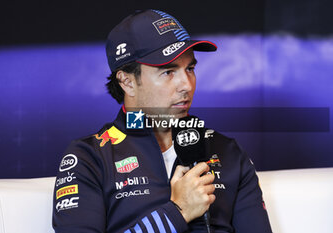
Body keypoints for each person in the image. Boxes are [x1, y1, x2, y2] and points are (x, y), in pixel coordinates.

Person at [52, 9, 272, 233]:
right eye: (168, 71)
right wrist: (178, 212)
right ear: (127, 82)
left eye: (190, 68)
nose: (186, 85)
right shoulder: (90, 158)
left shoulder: (228, 152)